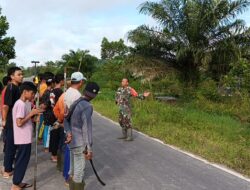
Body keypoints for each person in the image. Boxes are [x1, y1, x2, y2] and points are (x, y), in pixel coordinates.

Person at [64, 82, 100, 190]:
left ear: (84, 91)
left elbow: (66, 119)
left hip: (71, 142)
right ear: (94, 96)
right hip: (80, 143)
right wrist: (89, 148)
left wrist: (69, 133)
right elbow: (86, 128)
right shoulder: (87, 106)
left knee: (72, 170)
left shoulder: (76, 102)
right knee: (79, 172)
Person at [11, 82, 42, 190]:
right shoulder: (20, 104)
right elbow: (19, 123)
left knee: (23, 161)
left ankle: (18, 182)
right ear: (25, 92)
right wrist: (31, 114)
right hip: (22, 138)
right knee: (22, 161)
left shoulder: (24, 104)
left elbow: (25, 120)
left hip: (25, 138)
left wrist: (33, 118)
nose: (33, 96)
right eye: (32, 93)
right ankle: (15, 185)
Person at [2, 67, 23, 178]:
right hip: (11, 122)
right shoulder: (11, 87)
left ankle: (8, 167)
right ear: (12, 76)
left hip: (15, 121)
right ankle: (7, 170)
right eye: (19, 74)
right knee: (10, 146)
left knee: (13, 146)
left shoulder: (17, 87)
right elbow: (6, 106)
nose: (21, 76)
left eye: (22, 74)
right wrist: (4, 120)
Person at [49, 74, 64, 162]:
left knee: (53, 135)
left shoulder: (52, 91)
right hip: (58, 117)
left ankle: (53, 154)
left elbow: (52, 103)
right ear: (61, 81)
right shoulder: (60, 92)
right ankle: (55, 155)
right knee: (57, 135)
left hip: (52, 115)